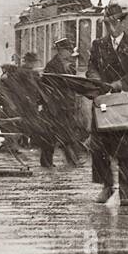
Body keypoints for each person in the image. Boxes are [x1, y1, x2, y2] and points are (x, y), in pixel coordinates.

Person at [85, 4, 128, 205]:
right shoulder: (98, 45)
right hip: (103, 101)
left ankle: (125, 191)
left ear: (122, 22)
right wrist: (97, 80)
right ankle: (107, 186)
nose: (110, 27)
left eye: (114, 23)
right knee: (100, 148)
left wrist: (122, 83)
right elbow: (91, 69)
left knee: (125, 149)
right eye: (107, 24)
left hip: (124, 103)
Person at [38, 39, 84, 167]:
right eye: (68, 50)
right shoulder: (52, 66)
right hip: (55, 106)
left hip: (65, 105)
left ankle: (70, 160)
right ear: (61, 51)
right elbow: (48, 85)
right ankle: (50, 162)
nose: (70, 53)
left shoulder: (68, 65)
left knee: (65, 133)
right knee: (53, 135)